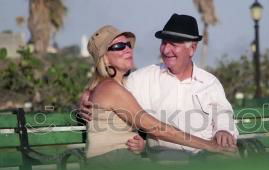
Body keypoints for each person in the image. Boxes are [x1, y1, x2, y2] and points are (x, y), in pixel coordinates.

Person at [80, 14, 238, 161]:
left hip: (206, 157)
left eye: (173, 45)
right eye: (164, 43)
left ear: (192, 49)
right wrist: (86, 98)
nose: (166, 50)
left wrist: (222, 130)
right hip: (166, 160)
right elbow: (108, 93)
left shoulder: (209, 83)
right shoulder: (140, 79)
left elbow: (223, 113)